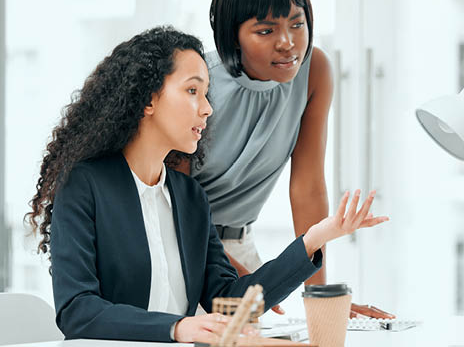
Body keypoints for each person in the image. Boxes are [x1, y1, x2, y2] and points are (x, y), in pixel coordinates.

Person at [26, 27, 387, 343]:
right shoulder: (84, 185)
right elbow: (78, 311)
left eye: (206, 93)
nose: (207, 109)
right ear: (149, 99)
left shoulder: (188, 197)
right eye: (192, 91)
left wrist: (314, 239)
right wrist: (178, 328)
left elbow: (231, 298)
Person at [186, 0, 393, 319]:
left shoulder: (315, 70)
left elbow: (308, 187)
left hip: (240, 244)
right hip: (186, 247)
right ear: (231, 34)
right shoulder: (199, 81)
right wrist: (233, 274)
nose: (288, 42)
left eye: (297, 24)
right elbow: (172, 202)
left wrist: (320, 296)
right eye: (266, 30)